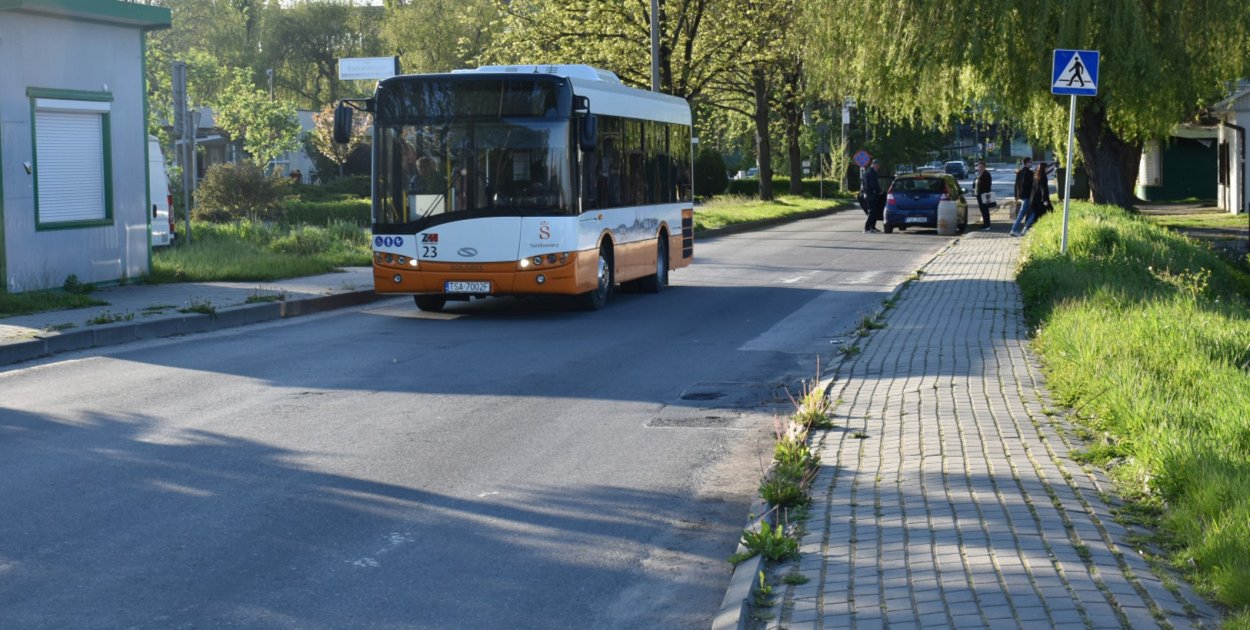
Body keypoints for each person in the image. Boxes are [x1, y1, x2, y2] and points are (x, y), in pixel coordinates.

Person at [1021, 162, 1054, 235]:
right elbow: (1043, 188)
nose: (1047, 169)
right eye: (1046, 167)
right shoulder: (1043, 177)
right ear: (1044, 168)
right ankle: (1026, 228)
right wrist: (1045, 199)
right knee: (1037, 214)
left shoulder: (1036, 176)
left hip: (1034, 198)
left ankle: (1029, 229)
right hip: (1040, 200)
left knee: (1035, 214)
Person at [1009, 158, 1034, 236]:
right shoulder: (1030, 173)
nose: (1031, 163)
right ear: (1026, 163)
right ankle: (1014, 230)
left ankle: (1022, 230)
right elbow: (1031, 186)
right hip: (1027, 196)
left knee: (1025, 212)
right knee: (1024, 213)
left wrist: (1016, 196)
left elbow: (1016, 184)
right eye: (1030, 162)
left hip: (1021, 196)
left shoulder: (1019, 172)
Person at [862, 159, 885, 233]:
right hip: (871, 195)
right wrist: (879, 191)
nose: (878, 167)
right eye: (877, 166)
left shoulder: (868, 172)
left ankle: (872, 227)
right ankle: (867, 228)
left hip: (870, 194)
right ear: (874, 165)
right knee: (872, 212)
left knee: (874, 211)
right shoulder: (871, 173)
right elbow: (873, 185)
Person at [973, 160, 992, 230]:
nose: (980, 168)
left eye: (981, 167)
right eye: (979, 167)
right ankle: (985, 224)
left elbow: (988, 185)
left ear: (984, 167)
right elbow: (975, 183)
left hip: (985, 194)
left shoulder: (987, 174)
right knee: (982, 210)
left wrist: (985, 192)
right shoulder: (978, 174)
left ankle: (987, 225)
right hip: (979, 194)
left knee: (985, 210)